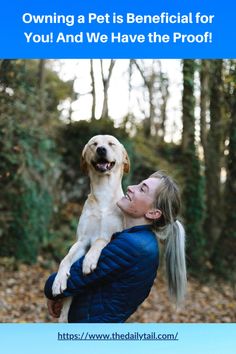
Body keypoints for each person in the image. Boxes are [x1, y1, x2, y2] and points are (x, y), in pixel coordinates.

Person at [44, 171, 187, 322]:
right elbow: (93, 284)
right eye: (138, 184)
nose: (131, 187)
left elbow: (67, 282)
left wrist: (53, 291)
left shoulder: (131, 245)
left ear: (153, 213)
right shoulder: (142, 241)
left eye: (142, 189)